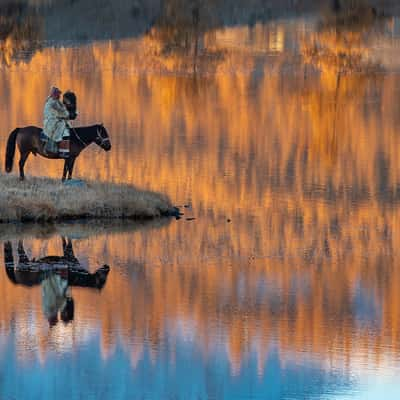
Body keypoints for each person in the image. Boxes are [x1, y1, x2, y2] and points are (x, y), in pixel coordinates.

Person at [43, 86, 70, 158]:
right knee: (64, 132)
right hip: (51, 121)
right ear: (54, 94)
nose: (59, 95)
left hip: (55, 119)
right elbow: (58, 111)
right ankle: (62, 151)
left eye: (59, 94)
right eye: (58, 94)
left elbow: (62, 110)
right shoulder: (52, 102)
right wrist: (65, 115)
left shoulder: (56, 101)